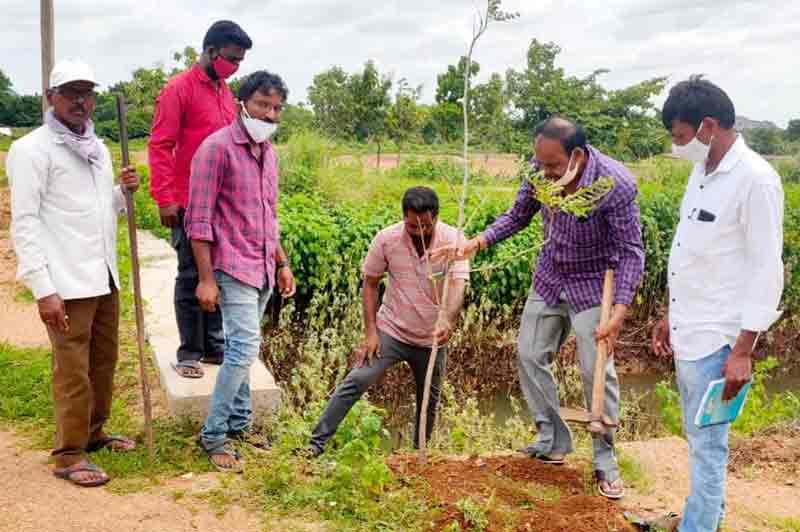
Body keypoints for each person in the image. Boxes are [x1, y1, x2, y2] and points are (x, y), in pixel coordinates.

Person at [433, 116, 644, 499]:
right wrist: (475, 243)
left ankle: (605, 459)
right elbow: (518, 215)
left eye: (552, 165)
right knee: (529, 354)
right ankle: (553, 441)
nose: (544, 173)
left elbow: (630, 250)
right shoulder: (538, 170)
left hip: (595, 283)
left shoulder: (615, 184)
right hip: (550, 275)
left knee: (595, 369)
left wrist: (619, 310)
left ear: (577, 156)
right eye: (540, 164)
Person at [651, 77, 783, 532]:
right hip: (689, 327)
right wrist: (670, 314)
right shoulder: (702, 172)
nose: (677, 146)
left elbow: (766, 269)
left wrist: (743, 350)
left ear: (708, 126)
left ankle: (699, 526)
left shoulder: (756, 180)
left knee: (708, 445)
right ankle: (702, 514)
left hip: (719, 338)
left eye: (680, 136)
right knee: (697, 437)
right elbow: (691, 251)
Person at [7, 59, 141, 487]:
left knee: (103, 361)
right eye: (70, 93)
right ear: (51, 97)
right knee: (72, 369)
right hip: (65, 280)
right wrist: (43, 288)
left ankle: (94, 433)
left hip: (102, 275)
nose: (80, 101)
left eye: (87, 93)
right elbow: (25, 222)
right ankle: (68, 453)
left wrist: (122, 193)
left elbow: (98, 209)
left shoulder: (96, 148)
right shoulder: (31, 150)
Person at [305, 186, 470, 457]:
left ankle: (419, 456)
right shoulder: (386, 240)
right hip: (392, 331)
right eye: (412, 226)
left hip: (431, 338)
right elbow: (370, 284)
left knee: (429, 400)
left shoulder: (453, 240)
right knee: (358, 379)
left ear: (436, 217)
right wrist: (371, 333)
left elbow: (458, 284)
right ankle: (315, 444)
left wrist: (447, 318)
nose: (419, 232)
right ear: (404, 217)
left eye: (426, 226)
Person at [185, 70, 296, 471]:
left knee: (241, 349)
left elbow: (270, 216)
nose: (269, 115)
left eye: (277, 108)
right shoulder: (216, 149)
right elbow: (198, 221)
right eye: (263, 105)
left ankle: (239, 423)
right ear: (242, 104)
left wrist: (281, 262)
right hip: (231, 266)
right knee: (244, 349)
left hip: (262, 265)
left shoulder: (269, 154)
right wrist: (206, 278)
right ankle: (214, 435)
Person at [148, 20, 253, 379]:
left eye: (240, 61)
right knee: (191, 273)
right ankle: (190, 352)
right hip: (189, 201)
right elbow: (161, 145)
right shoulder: (178, 89)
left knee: (219, 272)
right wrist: (164, 198)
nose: (235, 66)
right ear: (211, 51)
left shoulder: (225, 92)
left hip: (223, 203)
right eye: (231, 59)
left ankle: (213, 345)